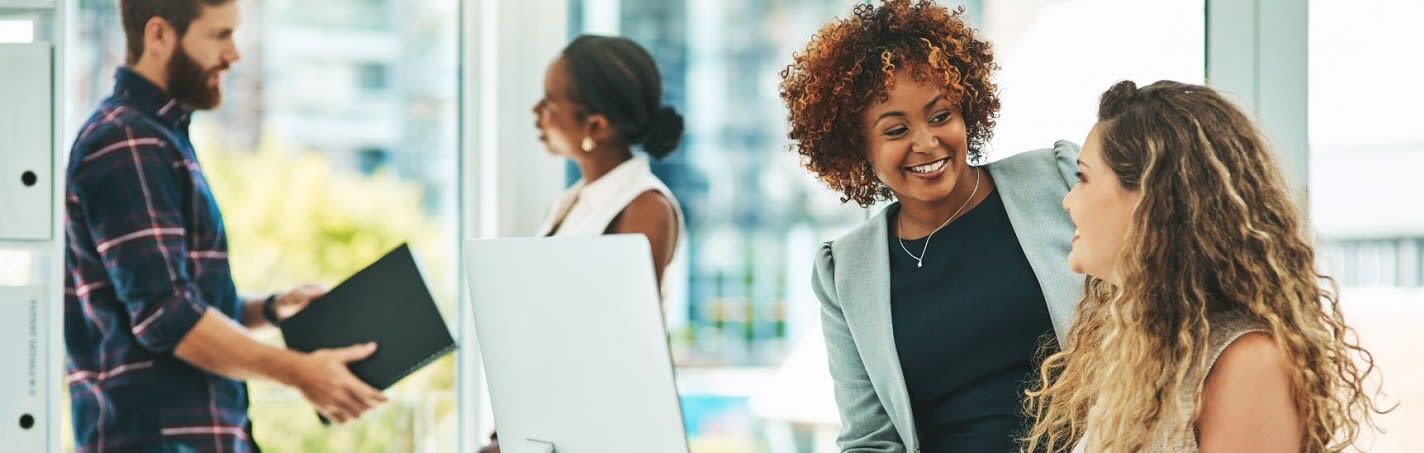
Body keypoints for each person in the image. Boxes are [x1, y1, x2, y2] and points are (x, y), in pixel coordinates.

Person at [66, 1, 386, 450]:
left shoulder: (160, 138)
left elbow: (179, 303)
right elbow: (167, 318)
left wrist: (271, 309)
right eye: (219, 35)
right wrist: (302, 374)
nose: (234, 54)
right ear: (158, 35)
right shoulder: (128, 141)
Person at [779, 1, 1082, 451]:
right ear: (857, 147)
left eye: (941, 116)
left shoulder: (1056, 180)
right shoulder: (844, 273)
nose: (927, 142)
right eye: (896, 130)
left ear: (968, 113)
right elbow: (869, 439)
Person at [1023, 80, 1386, 452]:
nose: (1068, 201)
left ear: (1149, 201)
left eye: (1083, 178)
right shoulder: (1143, 350)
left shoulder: (1246, 362)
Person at [478, 34, 686, 453]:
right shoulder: (572, 202)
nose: (537, 112)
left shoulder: (645, 206)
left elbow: (613, 347)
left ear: (596, 126)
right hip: (558, 431)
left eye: (549, 101)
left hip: (608, 435)